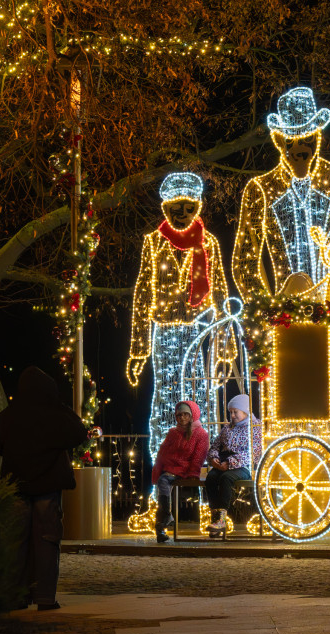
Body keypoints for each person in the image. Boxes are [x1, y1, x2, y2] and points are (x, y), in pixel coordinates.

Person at [127, 171, 230, 463]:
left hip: (200, 331)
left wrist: (223, 351)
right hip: (166, 332)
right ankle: (163, 478)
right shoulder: (153, 243)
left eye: (188, 208)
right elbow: (143, 295)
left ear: (197, 207)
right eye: (175, 209)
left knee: (201, 405)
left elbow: (221, 296)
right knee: (165, 403)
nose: (182, 214)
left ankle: (200, 475)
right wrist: (138, 351)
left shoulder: (208, 244)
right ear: (166, 209)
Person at [233, 86, 330, 300]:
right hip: (287, 312)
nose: (300, 148)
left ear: (318, 136)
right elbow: (245, 262)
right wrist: (265, 310)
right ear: (279, 142)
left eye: (307, 139)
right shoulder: (261, 189)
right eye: (291, 141)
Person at [0, 366, 89, 611]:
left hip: (17, 484)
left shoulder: (8, 415)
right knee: (47, 540)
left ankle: (17, 596)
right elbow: (79, 433)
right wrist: (60, 406)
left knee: (16, 542)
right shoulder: (55, 414)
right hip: (47, 485)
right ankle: (45, 597)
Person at [205, 394, 263, 537]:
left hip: (242, 466)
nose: (232, 415)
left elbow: (253, 453)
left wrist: (231, 463)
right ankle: (215, 516)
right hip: (223, 462)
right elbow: (215, 446)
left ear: (245, 412)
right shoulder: (227, 428)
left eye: (235, 412)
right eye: (230, 412)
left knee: (226, 478)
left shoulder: (255, 428)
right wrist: (214, 459)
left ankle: (221, 520)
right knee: (211, 477)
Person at [151, 400, 210, 542]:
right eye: (179, 415)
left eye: (185, 415)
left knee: (163, 482)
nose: (182, 418)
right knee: (163, 485)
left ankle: (164, 521)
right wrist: (157, 470)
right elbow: (162, 452)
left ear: (192, 415)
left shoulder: (201, 434)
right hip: (170, 469)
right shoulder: (173, 432)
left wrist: (193, 473)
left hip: (184, 470)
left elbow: (199, 456)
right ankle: (163, 524)